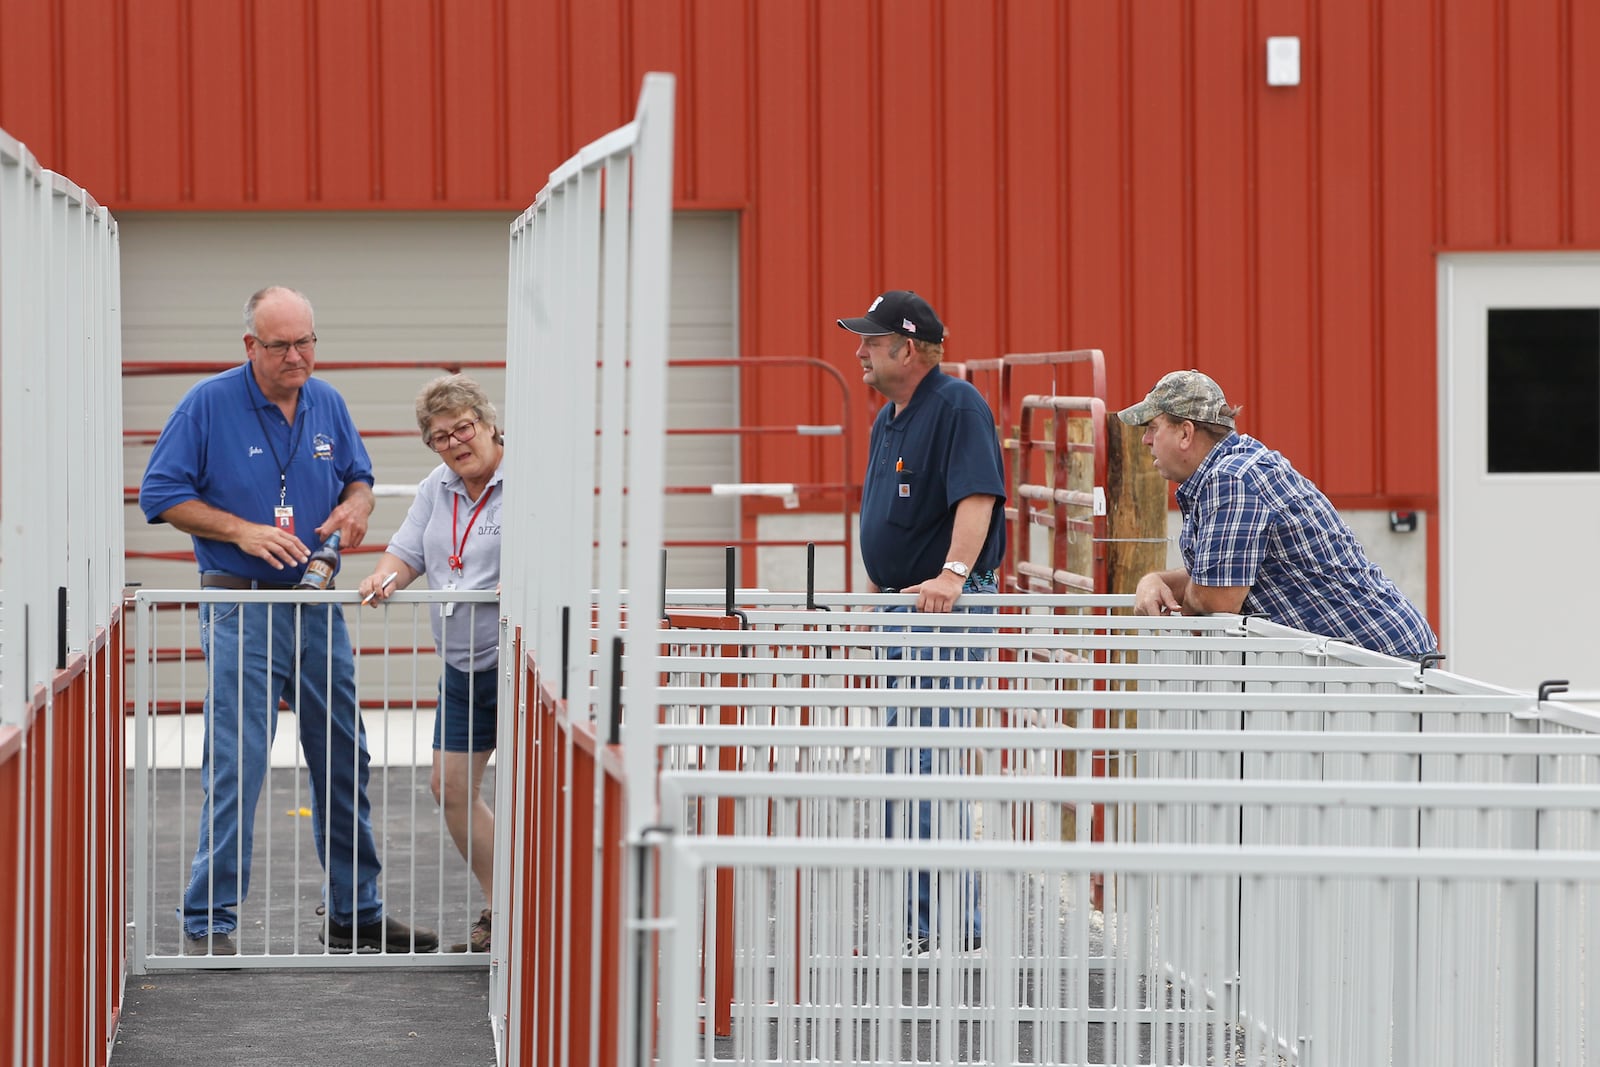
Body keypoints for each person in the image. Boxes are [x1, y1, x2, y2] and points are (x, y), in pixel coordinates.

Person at [140, 285, 438, 955]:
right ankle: (210, 919)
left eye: (307, 341)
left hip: (315, 603)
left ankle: (354, 911)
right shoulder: (208, 404)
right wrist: (242, 530)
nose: (298, 356)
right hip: (242, 602)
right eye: (282, 346)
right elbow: (160, 494)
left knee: (343, 751)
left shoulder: (326, 401)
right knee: (238, 759)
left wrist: (358, 506)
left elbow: (358, 477)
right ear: (251, 346)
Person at [837, 289, 1007, 954]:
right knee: (902, 763)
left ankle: (941, 927)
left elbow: (979, 494)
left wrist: (953, 574)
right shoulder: (891, 417)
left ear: (908, 349)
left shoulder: (956, 404)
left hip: (942, 612)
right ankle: (918, 921)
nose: (860, 352)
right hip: (904, 609)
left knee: (930, 761)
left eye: (872, 342)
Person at [1118, 369, 1437, 657]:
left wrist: (1185, 602)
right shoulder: (1231, 470)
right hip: (1363, 658)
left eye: (1153, 427)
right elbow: (1220, 572)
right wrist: (1154, 580)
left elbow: (1217, 597)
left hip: (1383, 664)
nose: (1145, 440)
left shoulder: (1233, 478)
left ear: (1186, 433)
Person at [358, 374, 504, 953]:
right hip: (463, 669)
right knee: (449, 788)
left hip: (524, 665)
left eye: (462, 428)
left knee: (539, 794)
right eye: (439, 437)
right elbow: (407, 552)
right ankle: (502, 907)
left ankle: (555, 908)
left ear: (489, 424)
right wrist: (381, 578)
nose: (454, 443)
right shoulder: (436, 487)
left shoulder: (528, 481)